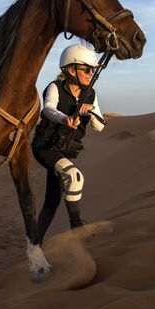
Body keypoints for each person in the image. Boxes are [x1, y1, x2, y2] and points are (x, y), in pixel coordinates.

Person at [32, 44, 106, 243]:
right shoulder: (55, 87)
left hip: (66, 150)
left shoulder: (90, 94)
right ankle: (77, 229)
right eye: (87, 69)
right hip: (46, 146)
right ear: (71, 70)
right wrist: (65, 118)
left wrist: (89, 111)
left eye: (93, 69)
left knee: (52, 202)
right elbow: (48, 109)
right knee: (74, 177)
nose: (91, 73)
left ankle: (34, 244)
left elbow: (99, 127)